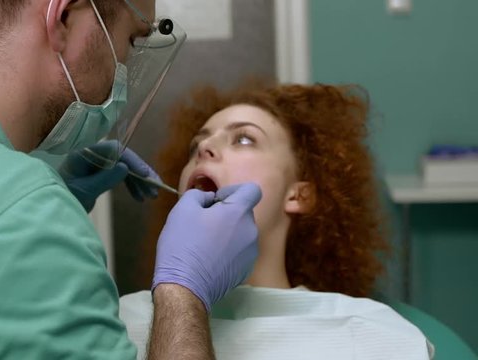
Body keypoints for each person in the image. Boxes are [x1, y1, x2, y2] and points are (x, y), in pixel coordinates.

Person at [0, 1, 262, 359]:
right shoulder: (22, 216)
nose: (126, 65)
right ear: (64, 17)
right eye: (131, 41)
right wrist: (183, 289)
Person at [120, 80, 435, 359]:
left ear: (298, 195)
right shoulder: (117, 317)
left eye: (244, 139)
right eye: (195, 145)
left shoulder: (371, 332)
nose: (204, 147)